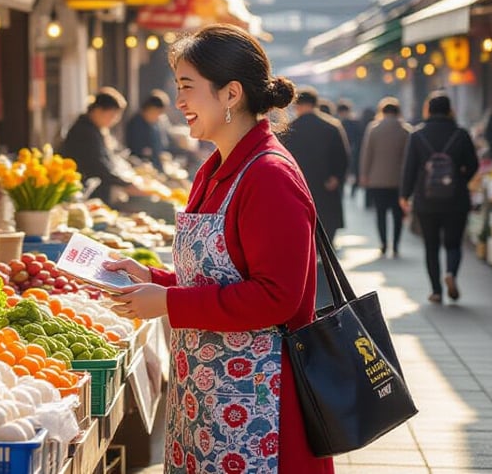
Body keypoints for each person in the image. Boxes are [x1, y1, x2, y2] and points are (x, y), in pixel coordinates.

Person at [104, 24, 332, 474]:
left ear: (231, 94)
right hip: (208, 400)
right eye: (177, 88)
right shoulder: (217, 168)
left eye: (187, 88)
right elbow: (215, 280)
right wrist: (154, 278)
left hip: (260, 405)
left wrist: (168, 301)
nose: (179, 102)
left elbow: (277, 296)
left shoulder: (268, 176)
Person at [400, 92, 479, 304]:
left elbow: (409, 169)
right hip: (456, 199)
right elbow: (473, 165)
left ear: (428, 110)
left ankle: (436, 291)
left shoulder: (417, 135)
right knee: (453, 244)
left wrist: (404, 195)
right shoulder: (461, 134)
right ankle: (451, 272)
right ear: (449, 110)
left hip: (426, 201)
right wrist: (460, 179)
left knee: (431, 246)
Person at [283, 88, 351, 245]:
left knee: (303, 225)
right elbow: (343, 156)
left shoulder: (289, 129)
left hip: (299, 184)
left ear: (297, 104)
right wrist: (336, 177)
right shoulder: (332, 126)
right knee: (327, 221)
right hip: (326, 183)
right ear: (315, 103)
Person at [58, 87, 147, 203]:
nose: (114, 120)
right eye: (112, 115)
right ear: (98, 110)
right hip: (80, 193)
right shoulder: (84, 131)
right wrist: (125, 184)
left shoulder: (94, 129)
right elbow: (98, 166)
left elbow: (111, 158)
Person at [359, 98, 412, 257]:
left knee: (380, 213)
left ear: (382, 111)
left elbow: (367, 154)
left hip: (377, 179)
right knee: (397, 214)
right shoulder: (406, 130)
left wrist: (364, 175)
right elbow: (409, 158)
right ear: (398, 112)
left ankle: (383, 243)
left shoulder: (374, 129)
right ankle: (395, 245)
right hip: (399, 180)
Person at [125, 90, 172, 171]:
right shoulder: (136, 123)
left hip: (155, 167)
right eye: (158, 113)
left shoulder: (156, 124)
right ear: (150, 108)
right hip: (139, 167)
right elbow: (136, 149)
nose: (158, 117)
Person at [336, 99, 364, 199]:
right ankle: (353, 189)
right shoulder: (356, 122)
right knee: (354, 172)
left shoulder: (337, 124)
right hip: (354, 151)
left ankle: (347, 189)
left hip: (346, 153)